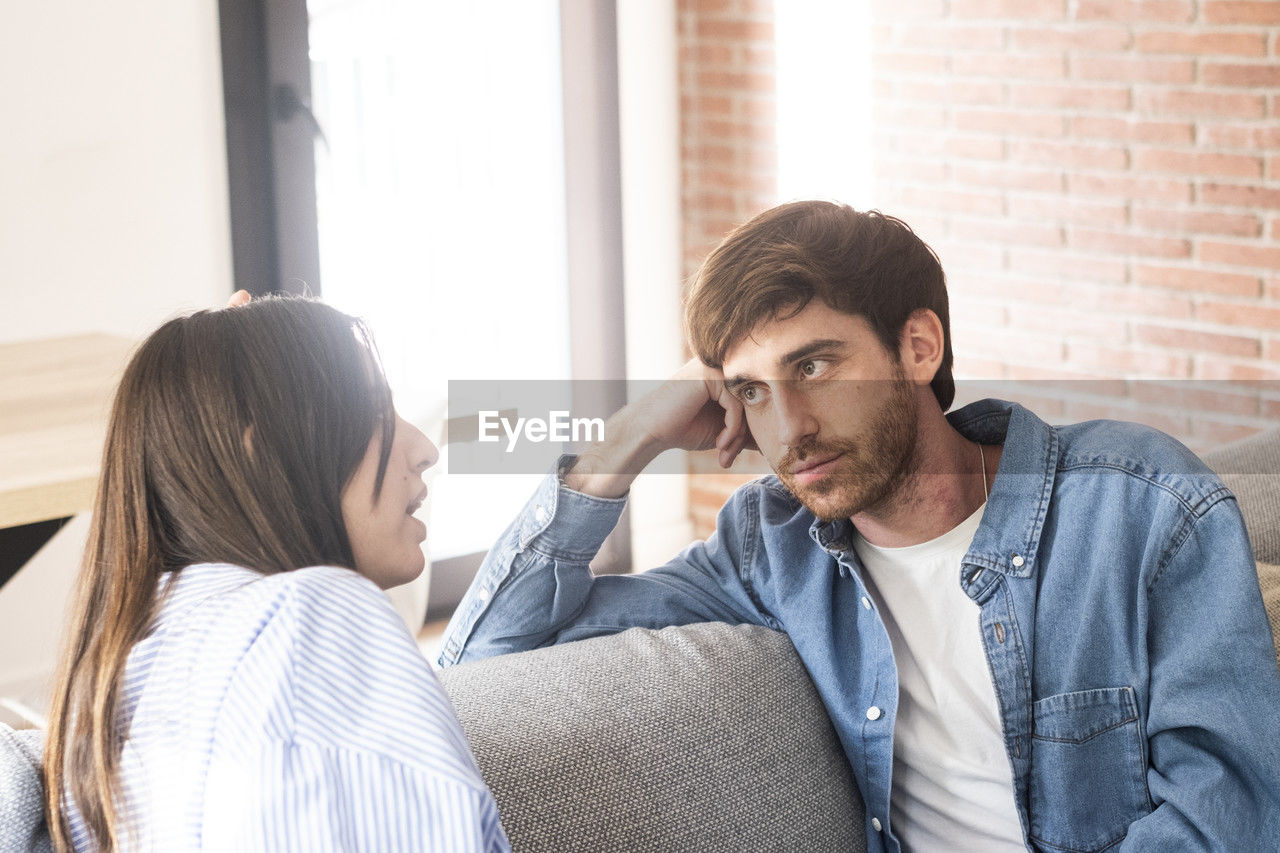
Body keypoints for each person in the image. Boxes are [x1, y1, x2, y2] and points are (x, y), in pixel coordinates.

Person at [440, 201, 1280, 851]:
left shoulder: (1142, 506)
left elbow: (1232, 816)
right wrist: (627, 439)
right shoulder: (771, 546)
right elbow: (485, 658)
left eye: (814, 364)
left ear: (918, 347)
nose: (789, 428)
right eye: (752, 390)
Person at [43, 297, 509, 851]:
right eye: (374, 414)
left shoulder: (111, 681)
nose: (425, 449)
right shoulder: (313, 616)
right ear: (258, 448)